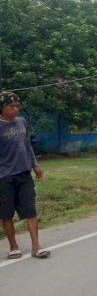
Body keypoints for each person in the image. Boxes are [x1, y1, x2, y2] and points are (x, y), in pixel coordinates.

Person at [0, 91, 50, 259]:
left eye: (17, 106)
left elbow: (28, 145)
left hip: (24, 174)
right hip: (4, 177)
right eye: (11, 106)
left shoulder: (22, 122)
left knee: (30, 210)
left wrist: (35, 165)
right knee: (6, 214)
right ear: (2, 108)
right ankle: (14, 247)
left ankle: (36, 247)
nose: (15, 110)